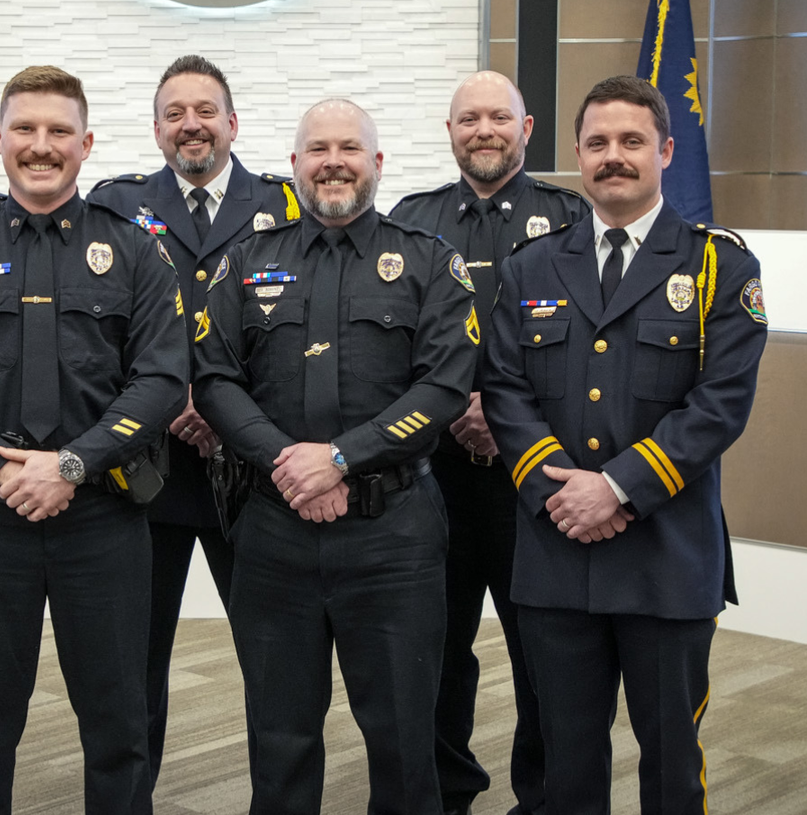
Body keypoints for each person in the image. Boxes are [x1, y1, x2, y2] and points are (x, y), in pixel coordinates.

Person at [0, 66, 188, 815]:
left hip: (103, 517)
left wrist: (71, 464)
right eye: (25, 129)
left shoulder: (136, 252)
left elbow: (161, 381)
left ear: (86, 144)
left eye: (59, 131)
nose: (41, 145)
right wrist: (0, 468)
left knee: (119, 720)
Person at [482, 75, 768, 815]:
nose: (614, 155)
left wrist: (613, 488)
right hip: (557, 557)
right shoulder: (530, 266)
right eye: (598, 142)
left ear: (666, 151)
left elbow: (720, 404)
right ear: (577, 154)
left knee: (671, 767)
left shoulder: (719, 266)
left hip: (666, 561)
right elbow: (504, 390)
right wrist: (562, 491)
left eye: (632, 141)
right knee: (565, 768)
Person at [194, 99, 480, 815]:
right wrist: (291, 463)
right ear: (294, 166)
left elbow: (444, 386)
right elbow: (215, 379)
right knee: (279, 740)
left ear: (376, 163)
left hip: (395, 537)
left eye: (349, 148)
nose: (333, 162)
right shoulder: (245, 260)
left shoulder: (429, 261)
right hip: (274, 532)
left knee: (403, 739)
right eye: (317, 150)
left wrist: (343, 458)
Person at [90, 53, 298, 782]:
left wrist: (220, 404)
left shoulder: (287, 203)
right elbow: (101, 332)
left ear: (232, 122)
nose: (191, 124)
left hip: (256, 474)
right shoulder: (115, 206)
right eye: (174, 113)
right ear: (156, 129)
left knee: (275, 665)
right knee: (134, 664)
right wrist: (171, 395)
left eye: (205, 110)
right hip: (148, 474)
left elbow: (301, 333)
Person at [391, 71, 589, 815]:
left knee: (542, 650)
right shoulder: (410, 219)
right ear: (449, 131)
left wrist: (504, 418)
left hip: (531, 479)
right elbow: (391, 344)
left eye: (498, 117)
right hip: (431, 477)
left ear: (525, 128)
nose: (484, 130)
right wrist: (445, 408)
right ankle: (446, 791)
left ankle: (541, 796)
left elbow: (586, 349)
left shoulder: (570, 218)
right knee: (435, 650)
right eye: (468, 118)